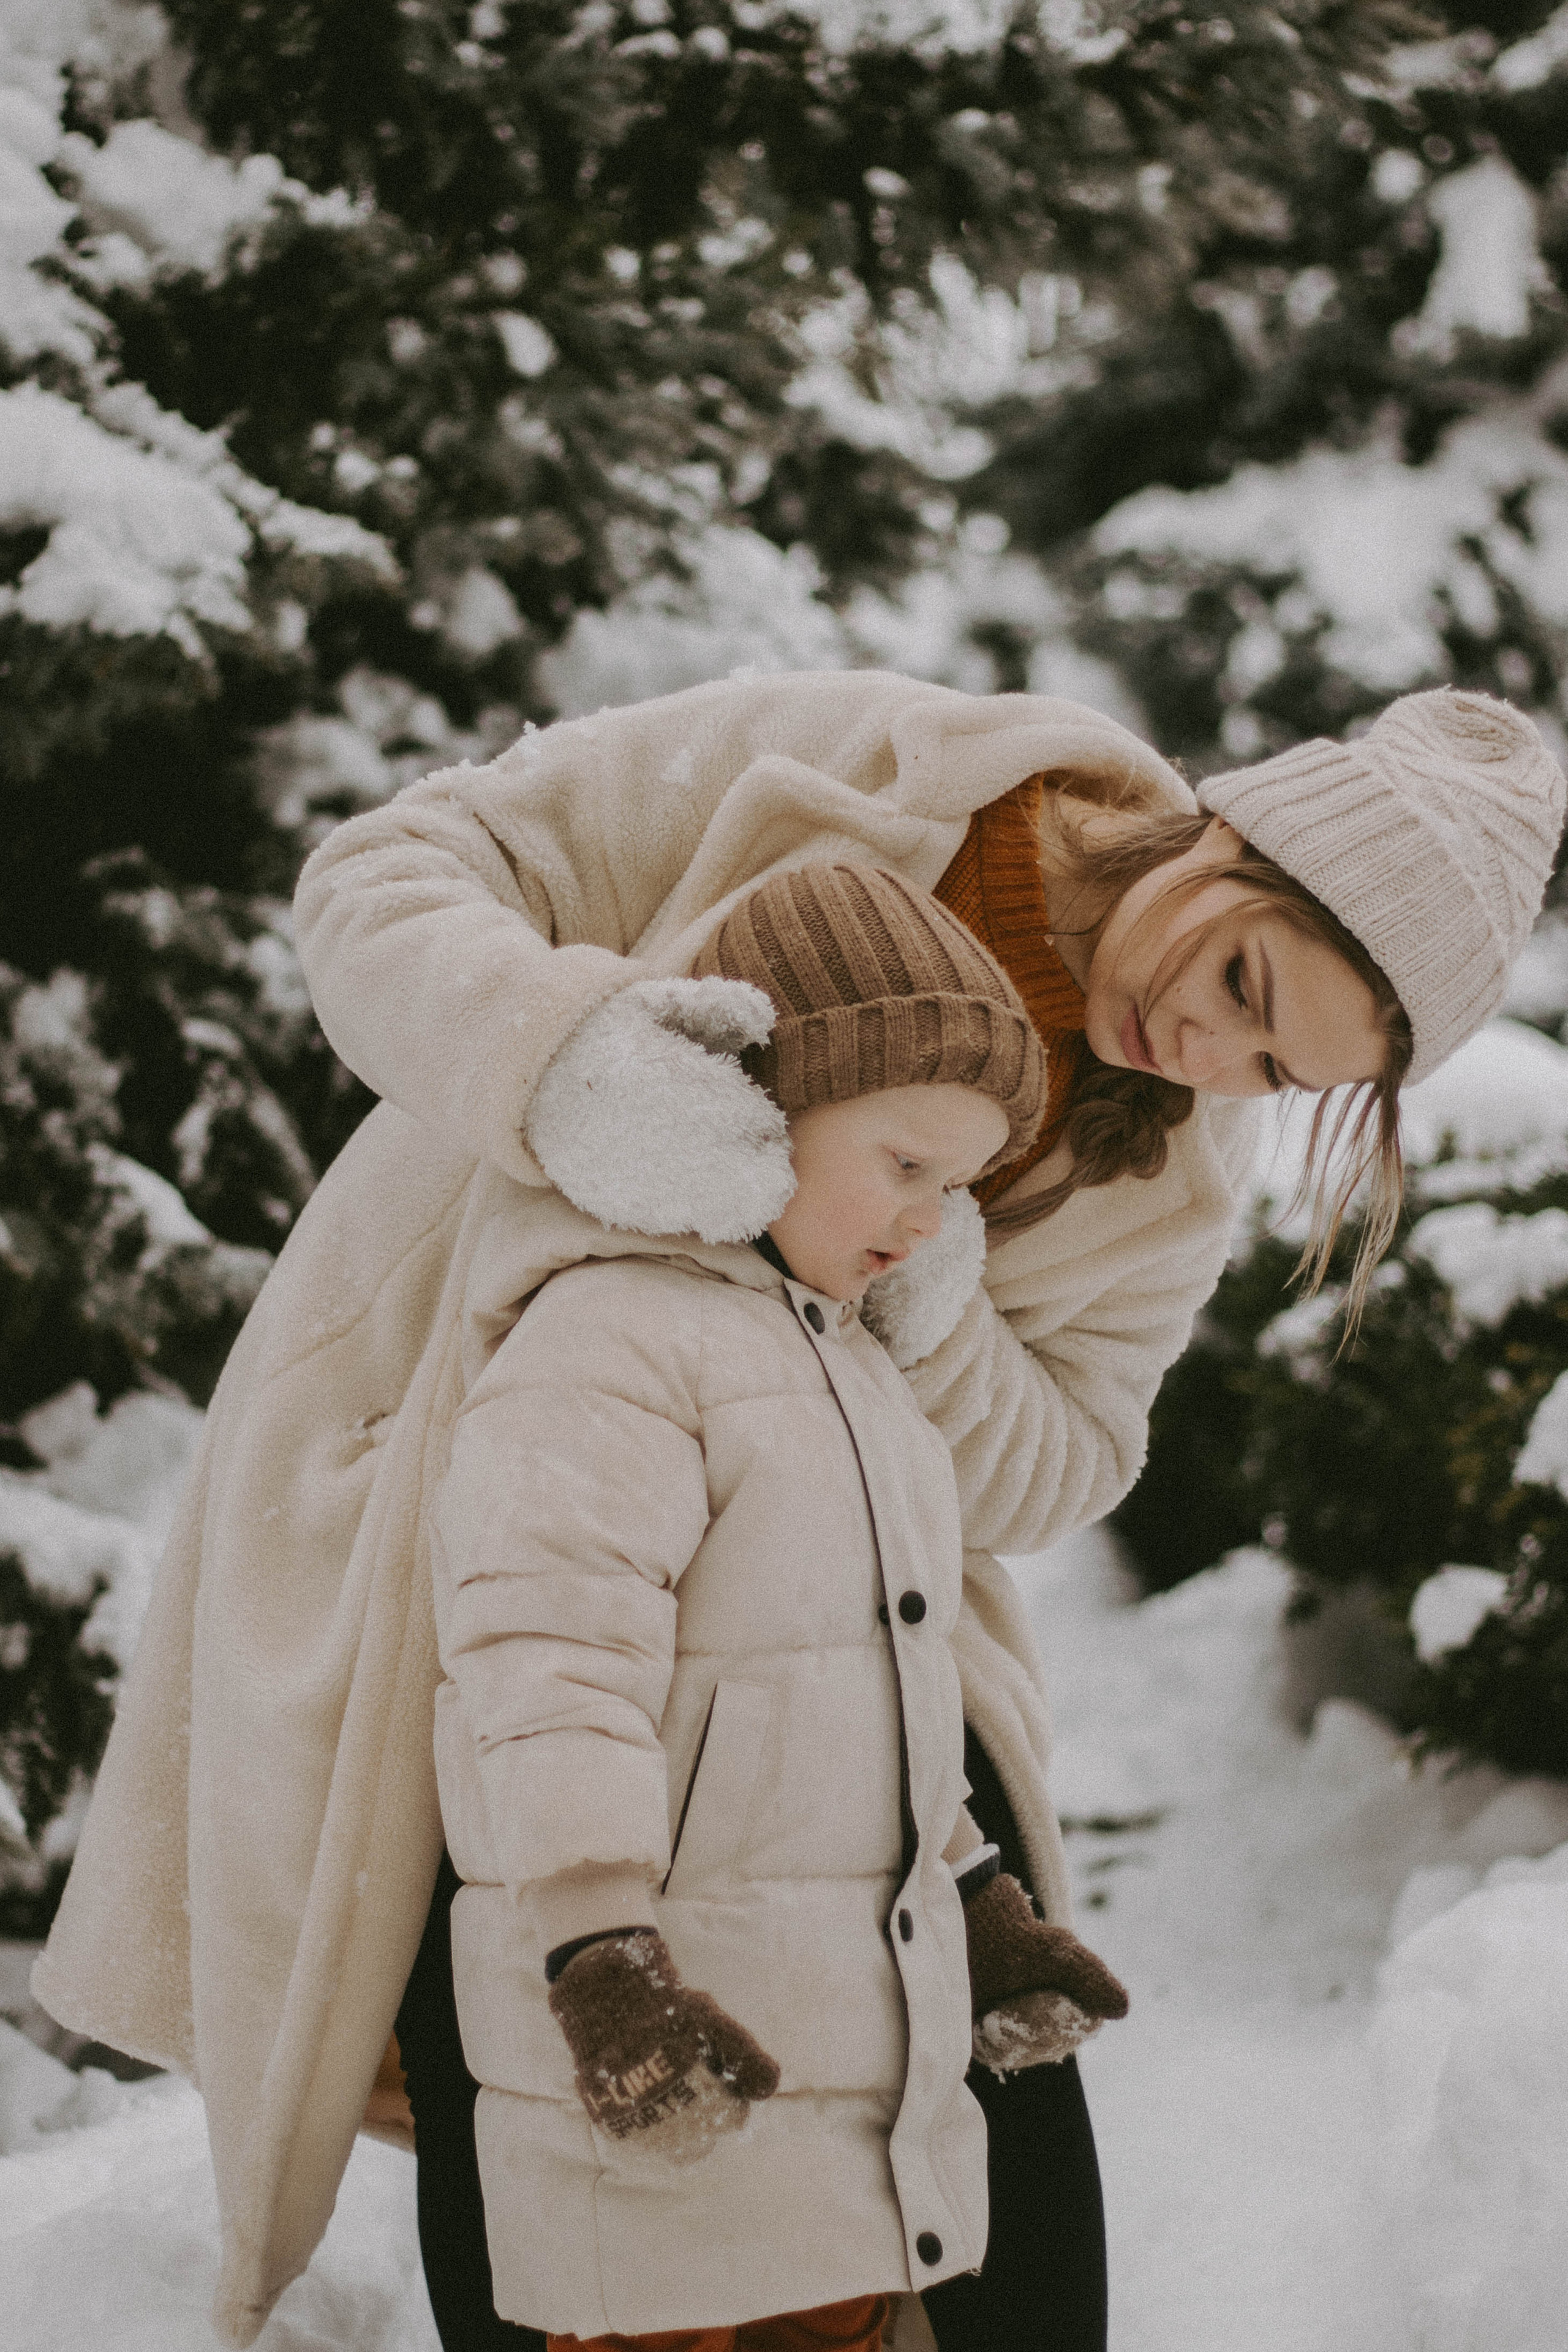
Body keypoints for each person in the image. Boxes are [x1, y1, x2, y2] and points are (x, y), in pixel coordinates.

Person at [32, 671, 1564, 2352]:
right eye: (1242, 979)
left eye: (1276, 1065)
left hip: (851, 1605)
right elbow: (387, 872)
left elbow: (1066, 1463)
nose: (1209, 1054)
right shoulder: (871, 765)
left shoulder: (1160, 1166)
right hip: (497, 1509)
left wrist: (927, 1287)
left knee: (1003, 2161)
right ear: (1234, 830)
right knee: (530, 2090)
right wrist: (575, 1065)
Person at [424, 861, 1127, 2349]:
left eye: (959, 1186)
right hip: (660, 2058)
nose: (933, 1220)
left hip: (843, 2091)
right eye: (906, 1164)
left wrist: (975, 1893)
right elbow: (545, 1665)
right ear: (759, 1117)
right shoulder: (609, 1333)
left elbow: (873, 1695)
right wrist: (596, 1955)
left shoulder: (856, 1373)